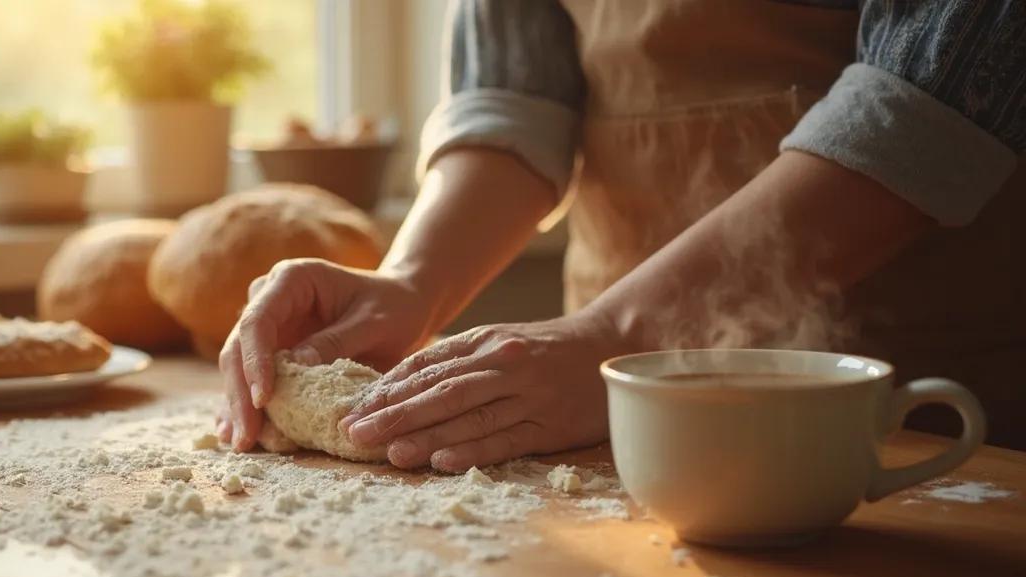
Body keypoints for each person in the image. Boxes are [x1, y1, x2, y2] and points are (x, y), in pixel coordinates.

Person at [216, 0, 1026, 470]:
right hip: (586, 406)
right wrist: (411, 282)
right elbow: (515, 92)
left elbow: (928, 109)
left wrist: (613, 331)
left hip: (912, 418)